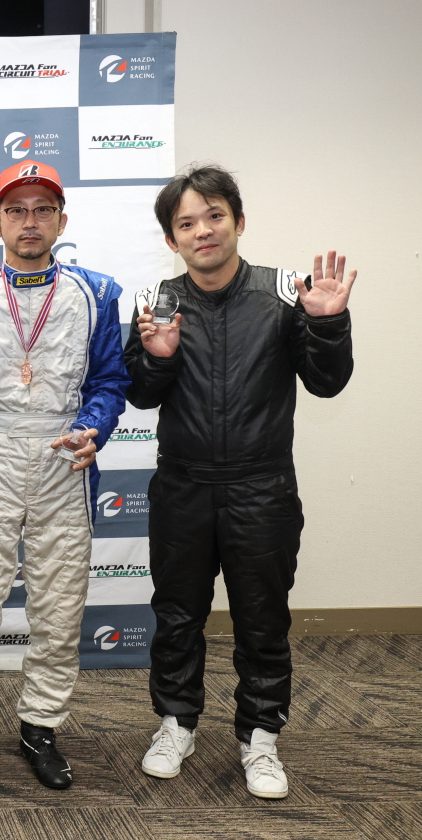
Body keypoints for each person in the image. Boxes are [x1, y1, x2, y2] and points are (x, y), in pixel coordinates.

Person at [126, 165, 355, 799]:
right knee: (177, 616)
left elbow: (327, 382)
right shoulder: (156, 301)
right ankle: (176, 724)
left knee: (263, 619)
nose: (203, 231)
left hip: (262, 488)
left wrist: (327, 323)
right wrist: (159, 357)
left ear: (239, 222)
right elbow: (139, 394)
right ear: (172, 239)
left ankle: (260, 737)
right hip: (183, 488)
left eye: (215, 216)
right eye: (187, 223)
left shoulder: (286, 294)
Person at [0, 160, 130, 789]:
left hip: (63, 456)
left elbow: (110, 381)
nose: (29, 221)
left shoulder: (96, 292)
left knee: (59, 608)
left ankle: (41, 725)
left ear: (61, 222)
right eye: (16, 210)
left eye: (42, 209)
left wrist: (93, 427)